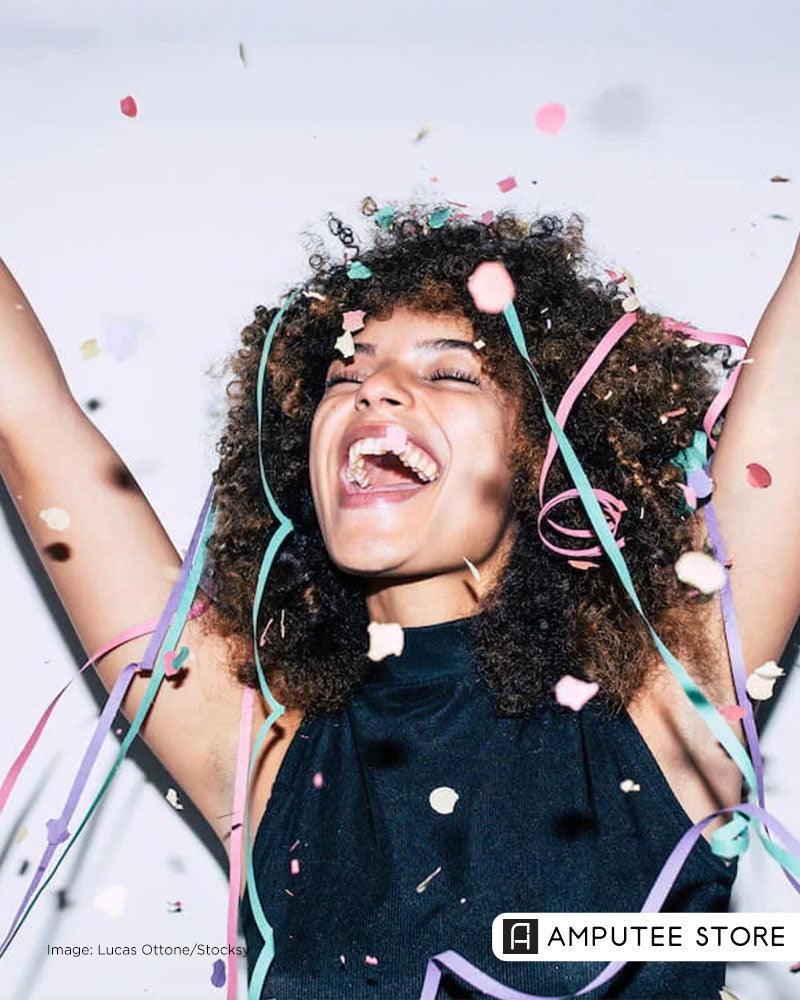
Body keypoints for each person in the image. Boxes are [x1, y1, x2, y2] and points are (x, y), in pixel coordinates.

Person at [1, 203, 799, 999]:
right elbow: (23, 413)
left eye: (448, 371)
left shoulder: (668, 707)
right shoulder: (257, 739)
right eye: (344, 373)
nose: (373, 389)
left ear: (551, 454)